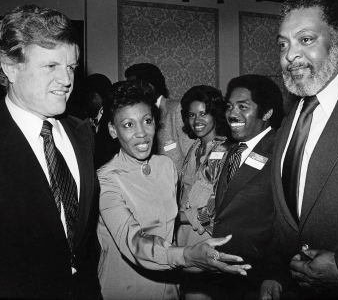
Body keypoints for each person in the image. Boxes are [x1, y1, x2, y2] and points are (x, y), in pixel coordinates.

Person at [0, 4, 101, 299]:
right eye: (51, 66)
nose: (67, 80)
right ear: (10, 67)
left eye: (70, 67)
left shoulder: (82, 134)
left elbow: (84, 243)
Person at [96, 80, 251, 300]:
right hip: (126, 288)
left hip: (170, 288)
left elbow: (170, 232)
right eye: (128, 125)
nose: (142, 133)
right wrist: (187, 256)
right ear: (113, 130)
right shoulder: (105, 179)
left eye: (147, 121)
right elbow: (134, 243)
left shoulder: (166, 166)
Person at [260, 0, 338, 300]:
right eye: (283, 44)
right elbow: (287, 215)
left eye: (305, 39)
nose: (289, 54)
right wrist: (274, 271)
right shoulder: (293, 115)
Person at [201, 75, 284, 299]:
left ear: (267, 113)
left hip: (256, 276)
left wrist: (275, 274)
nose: (232, 114)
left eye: (242, 106)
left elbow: (287, 222)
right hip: (223, 271)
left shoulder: (281, 152)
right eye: (229, 106)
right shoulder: (232, 149)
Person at [176, 85, 231, 299]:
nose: (196, 120)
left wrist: (172, 216)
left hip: (206, 242)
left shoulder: (222, 151)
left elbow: (213, 212)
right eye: (191, 115)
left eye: (203, 113)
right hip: (185, 241)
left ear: (215, 114)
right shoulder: (196, 148)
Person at [125, 62, 193, 171]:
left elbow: (191, 158)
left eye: (133, 86)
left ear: (149, 86)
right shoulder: (133, 116)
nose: (129, 92)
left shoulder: (176, 109)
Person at [81, 73, 120, 168]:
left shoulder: (113, 120)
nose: (84, 103)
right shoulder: (85, 122)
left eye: (87, 97)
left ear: (96, 96)